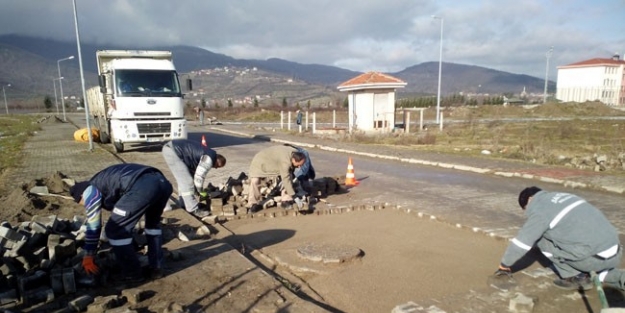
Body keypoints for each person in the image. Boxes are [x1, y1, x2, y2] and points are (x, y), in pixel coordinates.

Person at [495, 186, 625, 291]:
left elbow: (522, 243)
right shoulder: (567, 197)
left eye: (525, 209)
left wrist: (504, 265)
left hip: (592, 259)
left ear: (529, 200)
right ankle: (616, 277)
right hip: (616, 254)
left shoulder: (541, 210)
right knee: (596, 269)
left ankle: (574, 277)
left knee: (540, 239)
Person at [69, 163, 173, 282]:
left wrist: (89, 254)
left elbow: (94, 224)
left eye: (82, 203)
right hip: (162, 182)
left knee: (115, 230)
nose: (86, 206)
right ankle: (157, 268)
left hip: (142, 186)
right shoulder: (101, 182)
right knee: (152, 226)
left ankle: (132, 274)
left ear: (81, 196)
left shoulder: (89, 191)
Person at [162, 138, 227, 218]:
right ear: (218, 160)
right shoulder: (209, 159)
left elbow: (194, 176)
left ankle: (183, 204)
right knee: (187, 182)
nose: (216, 168)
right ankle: (193, 209)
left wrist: (197, 190)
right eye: (218, 166)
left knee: (184, 180)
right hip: (173, 152)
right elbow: (199, 177)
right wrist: (201, 191)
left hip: (172, 150)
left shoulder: (206, 155)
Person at [246, 145, 306, 213]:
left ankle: (286, 200)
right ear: (293, 160)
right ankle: (252, 204)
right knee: (255, 181)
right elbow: (286, 179)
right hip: (260, 162)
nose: (299, 167)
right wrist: (295, 197)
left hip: (274, 161)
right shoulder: (285, 162)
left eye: (301, 164)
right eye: (298, 165)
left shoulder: (295, 153)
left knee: (289, 176)